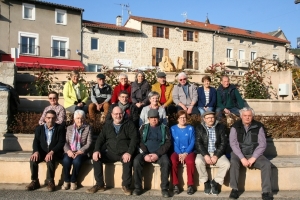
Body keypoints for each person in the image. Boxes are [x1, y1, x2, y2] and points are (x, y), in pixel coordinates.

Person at [86, 106, 138, 195]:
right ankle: (99, 184)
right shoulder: (107, 125)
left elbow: (134, 140)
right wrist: (96, 150)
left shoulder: (130, 124)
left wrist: (129, 152)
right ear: (112, 115)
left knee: (128, 160)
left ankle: (126, 185)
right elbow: (100, 139)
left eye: (120, 113)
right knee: (96, 157)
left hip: (124, 153)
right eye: (116, 114)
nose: (118, 116)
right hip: (110, 152)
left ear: (123, 114)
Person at [229, 107, 273, 200]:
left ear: (252, 116)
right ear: (241, 116)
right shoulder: (235, 126)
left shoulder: (259, 126)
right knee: (233, 162)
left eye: (249, 115)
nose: (247, 117)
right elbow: (233, 144)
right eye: (245, 115)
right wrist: (242, 158)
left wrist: (253, 157)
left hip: (254, 153)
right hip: (239, 153)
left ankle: (266, 191)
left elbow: (262, 144)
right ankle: (234, 189)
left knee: (266, 164)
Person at [133, 109, 171, 197]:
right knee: (136, 161)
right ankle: (138, 187)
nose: (154, 120)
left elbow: (168, 143)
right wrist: (145, 154)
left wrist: (157, 154)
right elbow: (139, 142)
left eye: (156, 118)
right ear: (148, 119)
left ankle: (164, 188)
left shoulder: (164, 128)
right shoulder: (143, 128)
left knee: (166, 162)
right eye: (152, 118)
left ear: (159, 118)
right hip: (145, 153)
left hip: (160, 153)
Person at [25, 110, 65, 192]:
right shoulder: (39, 129)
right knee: (33, 159)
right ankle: (35, 181)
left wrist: (52, 151)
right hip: (42, 152)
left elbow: (61, 142)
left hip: (54, 152)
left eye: (53, 118)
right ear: (45, 119)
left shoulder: (60, 128)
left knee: (50, 159)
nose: (50, 120)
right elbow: (36, 141)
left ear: (56, 119)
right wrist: (36, 151)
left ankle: (50, 181)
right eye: (48, 118)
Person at [195, 111, 230, 195]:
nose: (211, 119)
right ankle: (206, 182)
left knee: (226, 164)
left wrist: (216, 155)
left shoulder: (221, 127)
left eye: (212, 117)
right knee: (198, 161)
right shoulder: (199, 128)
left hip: (217, 152)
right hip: (204, 152)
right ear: (204, 119)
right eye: (208, 118)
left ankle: (215, 182)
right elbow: (198, 143)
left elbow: (223, 143)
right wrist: (206, 155)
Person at [61, 110, 92, 190]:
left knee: (76, 161)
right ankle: (66, 180)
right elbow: (65, 142)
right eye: (77, 118)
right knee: (66, 161)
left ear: (84, 119)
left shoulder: (88, 128)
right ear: (74, 119)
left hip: (82, 152)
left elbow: (89, 143)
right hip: (70, 151)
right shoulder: (69, 128)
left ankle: (73, 180)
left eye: (81, 118)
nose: (80, 120)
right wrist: (68, 151)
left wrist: (80, 151)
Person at [170, 110, 195, 195]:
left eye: (184, 117)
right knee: (173, 160)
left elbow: (192, 141)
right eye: (181, 117)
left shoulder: (191, 128)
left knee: (190, 162)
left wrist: (186, 153)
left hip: (189, 151)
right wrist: (179, 153)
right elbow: (173, 142)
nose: (183, 119)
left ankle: (190, 185)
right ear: (177, 119)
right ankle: (175, 184)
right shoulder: (173, 128)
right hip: (177, 151)